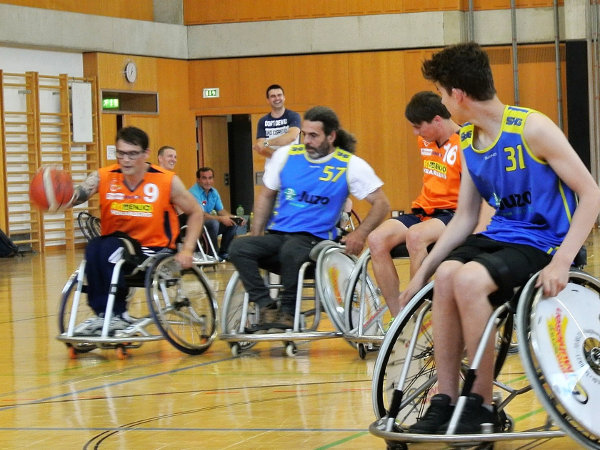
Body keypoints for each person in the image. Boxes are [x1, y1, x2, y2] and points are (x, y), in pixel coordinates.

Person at [400, 42, 600, 434]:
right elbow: (464, 219)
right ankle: (445, 400)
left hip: (545, 241)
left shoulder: (532, 128)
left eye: (442, 93)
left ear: (458, 94)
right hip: (502, 236)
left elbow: (591, 194)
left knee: (469, 279)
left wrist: (563, 261)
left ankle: (482, 406)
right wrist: (422, 271)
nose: (443, 102)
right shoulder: (468, 141)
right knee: (446, 275)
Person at [230, 105, 390, 332]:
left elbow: (382, 204)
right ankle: (266, 306)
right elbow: (266, 195)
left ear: (331, 136)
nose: (307, 141)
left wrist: (360, 234)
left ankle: (288, 312)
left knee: (292, 249)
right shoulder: (286, 156)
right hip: (280, 237)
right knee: (239, 247)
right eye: (304, 134)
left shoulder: (350, 164)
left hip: (317, 242)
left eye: (314, 136)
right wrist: (256, 234)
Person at [70, 126, 204, 336]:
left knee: (108, 249)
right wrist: (57, 197)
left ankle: (117, 314)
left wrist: (187, 249)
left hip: (154, 250)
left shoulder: (166, 180)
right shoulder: (104, 176)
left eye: (132, 154)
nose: (125, 160)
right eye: (121, 153)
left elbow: (196, 212)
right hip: (117, 246)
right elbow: (77, 195)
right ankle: (104, 314)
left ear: (146, 154)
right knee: (94, 248)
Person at [367, 91, 461, 317]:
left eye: (418, 127)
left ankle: (417, 313)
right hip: (423, 211)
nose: (415, 133)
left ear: (437, 120)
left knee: (416, 236)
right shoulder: (425, 141)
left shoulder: (465, 143)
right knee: (376, 239)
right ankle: (399, 319)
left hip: (453, 214)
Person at [189, 167, 241, 261]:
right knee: (214, 223)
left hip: (206, 224)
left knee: (232, 222)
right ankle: (212, 254)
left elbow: (221, 211)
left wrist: (234, 218)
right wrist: (221, 219)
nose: (208, 181)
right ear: (198, 180)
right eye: (204, 178)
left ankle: (224, 253)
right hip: (195, 226)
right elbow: (200, 215)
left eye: (210, 178)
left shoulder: (214, 192)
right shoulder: (193, 192)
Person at [252, 84, 301, 168]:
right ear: (268, 100)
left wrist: (267, 143)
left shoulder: (293, 116)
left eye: (279, 95)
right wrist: (279, 157)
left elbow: (291, 137)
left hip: (292, 165)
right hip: (272, 167)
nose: (277, 98)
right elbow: (261, 148)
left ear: (284, 97)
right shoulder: (263, 121)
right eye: (273, 96)